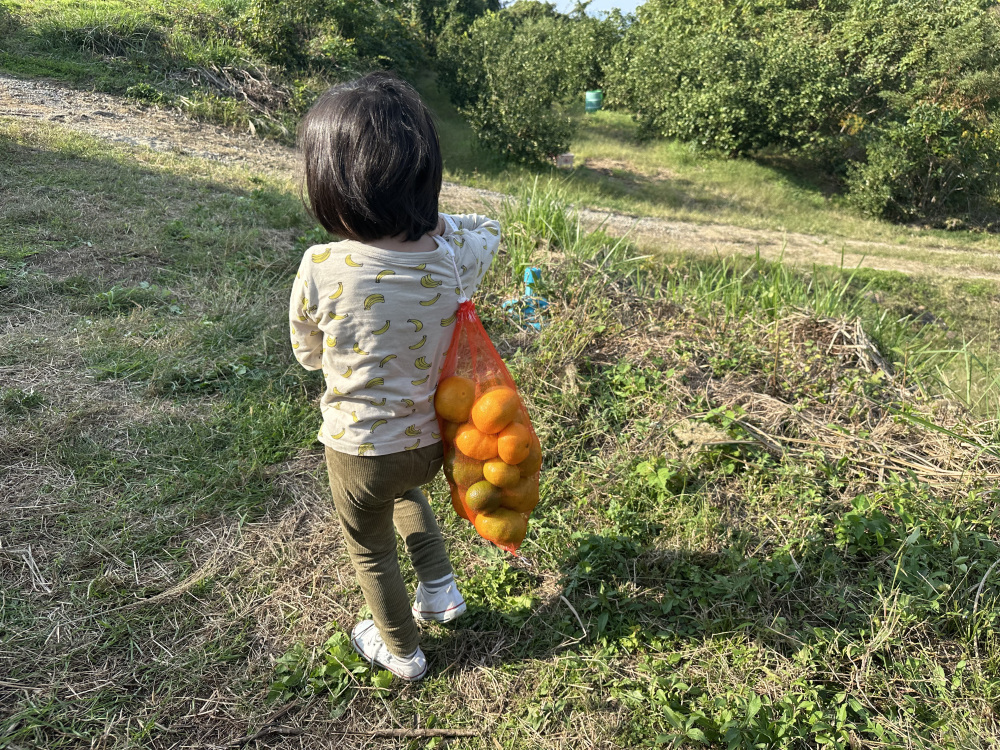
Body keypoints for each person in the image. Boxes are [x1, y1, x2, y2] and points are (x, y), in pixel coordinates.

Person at [289, 72, 500, 681]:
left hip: (357, 449)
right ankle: (440, 591)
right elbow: (490, 229)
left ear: (327, 185)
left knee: (369, 546)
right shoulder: (451, 255)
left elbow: (307, 350)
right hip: (430, 442)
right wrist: (431, 222)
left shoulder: (322, 264)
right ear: (424, 178)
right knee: (406, 492)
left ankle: (401, 650)